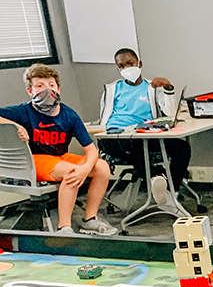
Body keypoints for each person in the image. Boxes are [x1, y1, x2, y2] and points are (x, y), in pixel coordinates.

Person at [0, 64, 118, 235]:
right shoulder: (23, 111)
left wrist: (86, 169)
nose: (47, 89)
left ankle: (90, 219)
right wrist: (16, 125)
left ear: (58, 88)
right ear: (30, 91)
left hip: (59, 156)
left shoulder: (69, 115)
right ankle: (64, 228)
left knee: (102, 167)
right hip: (35, 160)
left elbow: (91, 150)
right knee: (71, 171)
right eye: (40, 86)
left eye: (51, 85)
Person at [98, 48, 190, 213]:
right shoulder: (112, 89)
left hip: (144, 133)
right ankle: (155, 178)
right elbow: (103, 118)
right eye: (122, 66)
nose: (127, 68)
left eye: (130, 64)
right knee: (139, 146)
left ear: (139, 64)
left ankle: (171, 194)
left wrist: (168, 88)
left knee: (182, 148)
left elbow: (170, 113)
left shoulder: (152, 87)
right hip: (115, 136)